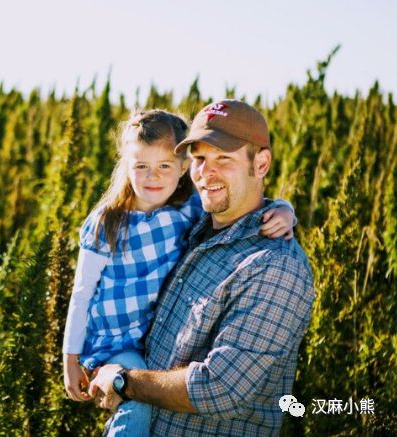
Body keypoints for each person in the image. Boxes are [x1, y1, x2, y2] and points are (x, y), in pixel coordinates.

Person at [62, 109, 297, 436]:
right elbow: (82, 292)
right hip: (120, 348)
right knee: (136, 413)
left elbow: (221, 389)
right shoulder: (191, 221)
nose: (207, 172)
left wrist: (285, 209)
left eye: (223, 158)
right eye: (201, 158)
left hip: (144, 371)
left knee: (135, 409)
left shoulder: (267, 261)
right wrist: (71, 359)